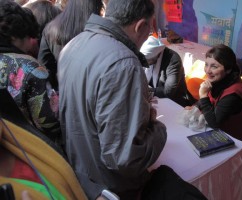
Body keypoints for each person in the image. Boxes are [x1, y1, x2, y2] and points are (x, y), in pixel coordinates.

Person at [57, 0, 167, 199]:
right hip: (110, 186)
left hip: (82, 174)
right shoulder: (123, 63)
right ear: (141, 26)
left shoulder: (76, 42)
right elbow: (125, 158)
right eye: (148, 32)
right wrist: (158, 129)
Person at [0, 0, 60, 141]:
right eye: (29, 35)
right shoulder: (28, 67)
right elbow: (49, 122)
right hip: (28, 147)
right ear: (14, 36)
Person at [38, 0, 105, 91]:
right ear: (97, 6)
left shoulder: (51, 29)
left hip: (62, 92)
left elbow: (44, 67)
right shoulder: (101, 33)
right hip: (93, 91)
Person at [190, 44, 242, 142]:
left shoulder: (233, 95)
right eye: (206, 64)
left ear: (228, 69)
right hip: (213, 131)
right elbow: (210, 99)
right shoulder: (220, 79)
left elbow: (214, 124)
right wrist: (196, 106)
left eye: (214, 66)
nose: (207, 71)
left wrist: (203, 96)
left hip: (230, 140)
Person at [140, 36, 196, 107]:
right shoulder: (149, 58)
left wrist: (147, 90)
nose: (145, 64)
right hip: (155, 96)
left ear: (156, 55)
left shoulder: (173, 60)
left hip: (174, 101)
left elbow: (168, 91)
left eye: (147, 61)